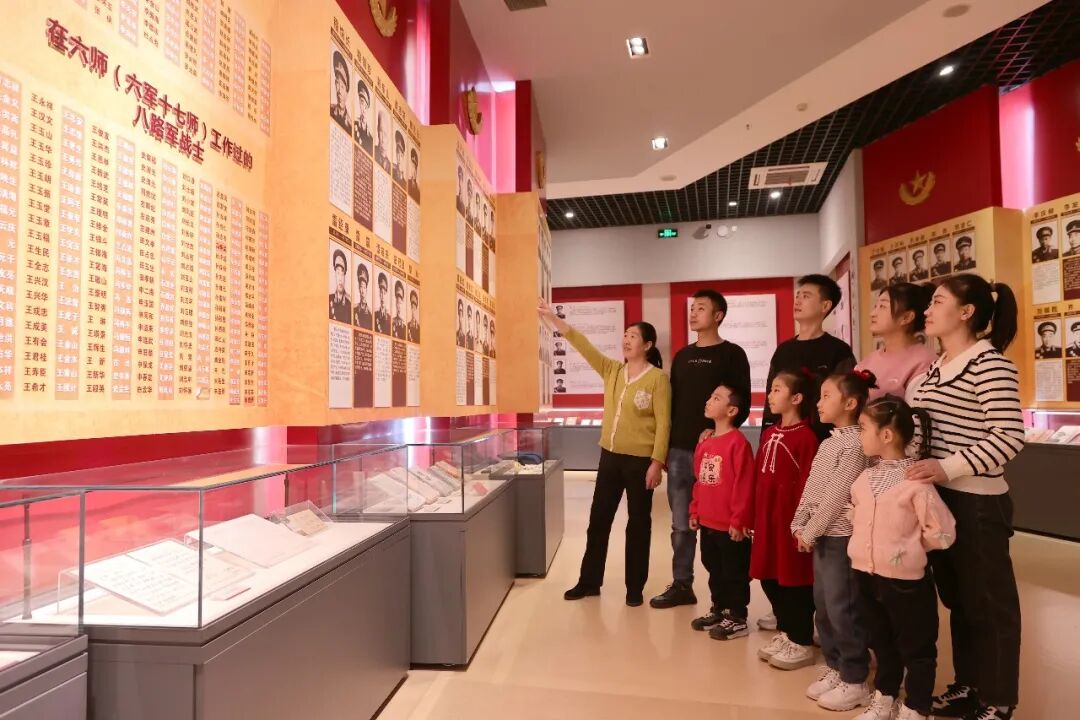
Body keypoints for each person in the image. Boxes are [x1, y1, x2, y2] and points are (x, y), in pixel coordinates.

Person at [907, 274, 1025, 720]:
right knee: (961, 602)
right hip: (940, 499)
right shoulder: (936, 366)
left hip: (977, 502)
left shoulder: (989, 364)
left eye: (938, 302)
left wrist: (948, 467)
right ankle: (970, 685)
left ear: (967, 311)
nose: (927, 310)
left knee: (990, 604)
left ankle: (998, 699)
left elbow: (1008, 437)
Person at [539, 301, 670, 607]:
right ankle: (589, 582)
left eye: (633, 336)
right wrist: (553, 319)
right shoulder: (613, 370)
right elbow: (583, 345)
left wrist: (657, 462)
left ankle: (634, 587)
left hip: (640, 463)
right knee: (598, 521)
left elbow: (664, 423)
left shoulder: (658, 379)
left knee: (638, 525)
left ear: (647, 345)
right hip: (609, 458)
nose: (626, 339)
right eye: (625, 335)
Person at [849, 395, 956, 720]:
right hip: (866, 575)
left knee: (916, 646)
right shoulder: (864, 479)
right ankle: (885, 696)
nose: (859, 434)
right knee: (880, 640)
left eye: (863, 428)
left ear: (886, 435)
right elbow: (856, 516)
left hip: (906, 582)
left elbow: (943, 532)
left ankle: (916, 706)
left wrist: (907, 549)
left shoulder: (916, 484)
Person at [651, 290, 750, 610]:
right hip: (680, 450)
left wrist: (718, 432)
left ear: (718, 316)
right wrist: (664, 448)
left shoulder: (732, 354)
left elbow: (741, 402)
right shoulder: (682, 356)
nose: (693, 313)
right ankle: (683, 583)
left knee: (716, 523)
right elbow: (672, 405)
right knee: (681, 523)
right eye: (692, 308)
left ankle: (726, 597)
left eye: (701, 308)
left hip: (716, 451)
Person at [791, 365, 874, 711]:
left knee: (843, 608)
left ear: (850, 403)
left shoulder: (855, 445)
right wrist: (799, 522)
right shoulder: (829, 442)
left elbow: (837, 495)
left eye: (827, 396)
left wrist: (810, 529)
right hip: (821, 535)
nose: (818, 402)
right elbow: (813, 487)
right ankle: (836, 666)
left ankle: (855, 678)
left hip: (840, 537)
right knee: (823, 606)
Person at [752, 369, 821, 671]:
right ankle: (786, 630)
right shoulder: (769, 433)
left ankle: (801, 638)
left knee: (794, 579)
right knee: (769, 576)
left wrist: (804, 522)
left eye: (777, 389)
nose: (770, 395)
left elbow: (810, 482)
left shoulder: (806, 437)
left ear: (797, 398)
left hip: (791, 520)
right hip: (767, 518)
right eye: (771, 389)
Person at [687, 383, 755, 641]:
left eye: (716, 398)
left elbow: (744, 485)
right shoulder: (705, 442)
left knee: (734, 571)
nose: (708, 401)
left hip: (730, 525)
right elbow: (699, 480)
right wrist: (695, 511)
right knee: (713, 567)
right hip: (708, 522)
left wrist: (739, 520)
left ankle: (737, 616)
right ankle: (720, 609)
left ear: (731, 410)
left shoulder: (738, 443)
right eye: (710, 396)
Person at [763, 274, 854, 437]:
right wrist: (766, 434)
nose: (797, 301)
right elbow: (770, 397)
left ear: (825, 305)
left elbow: (847, 399)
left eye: (805, 296)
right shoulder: (783, 350)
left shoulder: (839, 351)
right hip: (784, 438)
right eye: (797, 296)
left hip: (824, 438)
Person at [856, 283, 937, 400]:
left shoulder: (925, 362)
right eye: (875, 306)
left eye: (882, 307)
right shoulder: (868, 361)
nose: (872, 314)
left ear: (906, 317)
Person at [330, 51, 351, 133]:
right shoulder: (329, 109)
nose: (339, 91)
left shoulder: (350, 125)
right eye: (337, 84)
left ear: (347, 92)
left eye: (342, 87)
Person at [329, 249, 351, 322]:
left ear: (345, 275)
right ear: (335, 274)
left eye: (342, 273)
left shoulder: (350, 304)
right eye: (338, 273)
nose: (340, 279)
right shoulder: (329, 299)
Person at [353, 79, 373, 154]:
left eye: (366, 105)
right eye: (361, 102)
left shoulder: (371, 138)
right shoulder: (353, 125)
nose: (363, 108)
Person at [353, 263, 372, 328]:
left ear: (366, 289)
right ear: (359, 288)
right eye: (361, 287)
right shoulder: (353, 309)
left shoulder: (370, 314)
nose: (362, 290)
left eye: (364, 287)